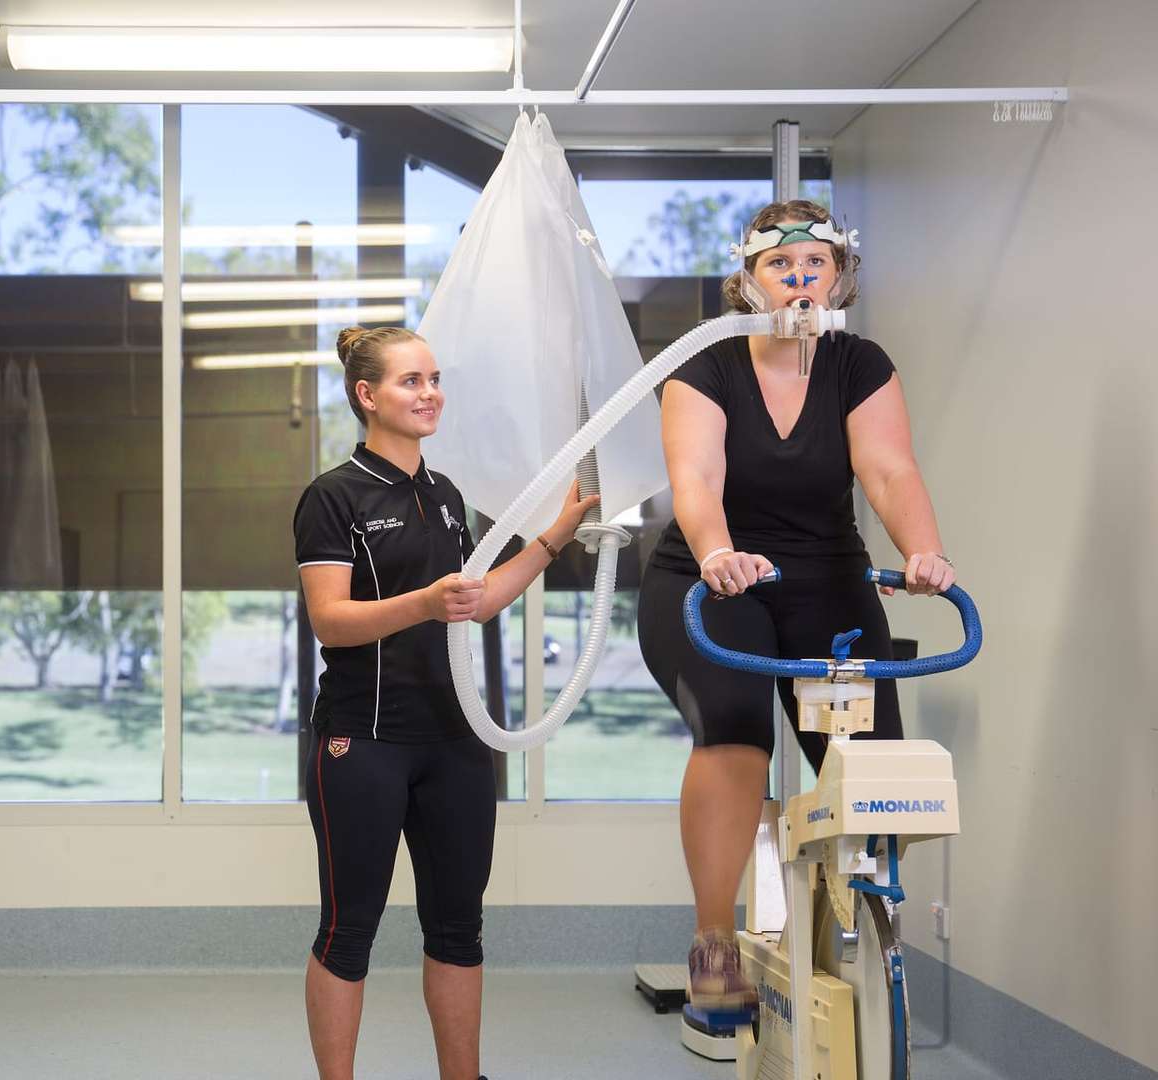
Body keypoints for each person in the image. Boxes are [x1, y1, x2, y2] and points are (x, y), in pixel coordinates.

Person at [636, 200, 957, 1016]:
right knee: (737, 727)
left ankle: (854, 927)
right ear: (748, 278)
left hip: (826, 575)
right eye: (782, 265)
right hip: (712, 577)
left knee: (869, 764)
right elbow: (697, 480)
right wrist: (715, 551)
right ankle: (714, 945)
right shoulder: (704, 364)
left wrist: (924, 550)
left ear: (842, 274)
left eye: (817, 262)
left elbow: (888, 470)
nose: (801, 277)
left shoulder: (861, 363)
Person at [293, 325, 597, 1080]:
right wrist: (424, 602)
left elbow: (475, 600)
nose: (430, 394)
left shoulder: (445, 494)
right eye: (410, 382)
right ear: (368, 396)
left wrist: (555, 537)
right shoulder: (334, 496)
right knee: (348, 931)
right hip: (363, 742)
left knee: (459, 929)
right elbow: (331, 619)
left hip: (456, 742)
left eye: (434, 379)